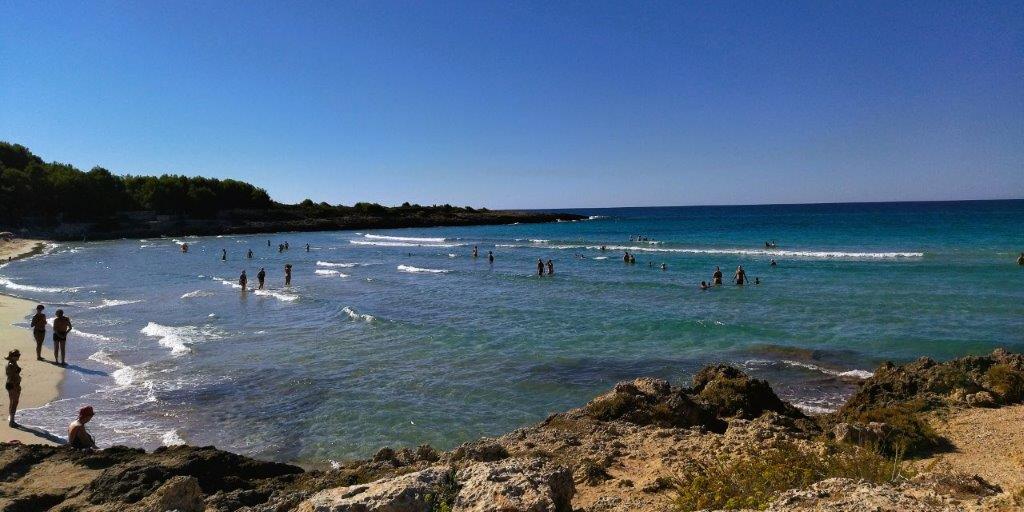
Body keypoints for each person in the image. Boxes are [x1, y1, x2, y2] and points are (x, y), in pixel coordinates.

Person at [6, 350, 21, 427]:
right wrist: (16, 386)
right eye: (17, 355)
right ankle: (12, 421)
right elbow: (11, 377)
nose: (19, 356)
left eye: (19, 355)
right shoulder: (11, 364)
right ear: (13, 357)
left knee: (13, 402)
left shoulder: (14, 363)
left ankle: (12, 420)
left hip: (12, 384)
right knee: (14, 403)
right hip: (13, 385)